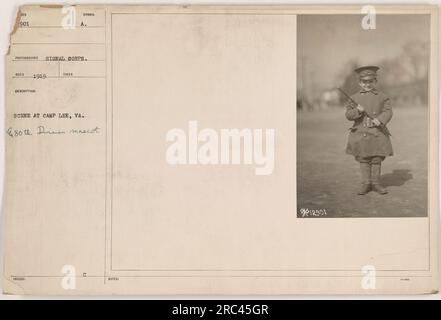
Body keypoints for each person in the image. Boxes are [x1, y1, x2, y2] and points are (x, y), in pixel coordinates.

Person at [345, 66, 393, 195]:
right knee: (363, 158)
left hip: (377, 132)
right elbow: (348, 115)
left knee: (377, 158)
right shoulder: (354, 98)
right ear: (360, 82)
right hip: (361, 133)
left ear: (375, 81)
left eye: (370, 81)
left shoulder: (383, 97)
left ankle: (376, 184)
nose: (368, 84)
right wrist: (357, 111)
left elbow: (388, 111)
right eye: (364, 82)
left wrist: (381, 119)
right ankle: (366, 184)